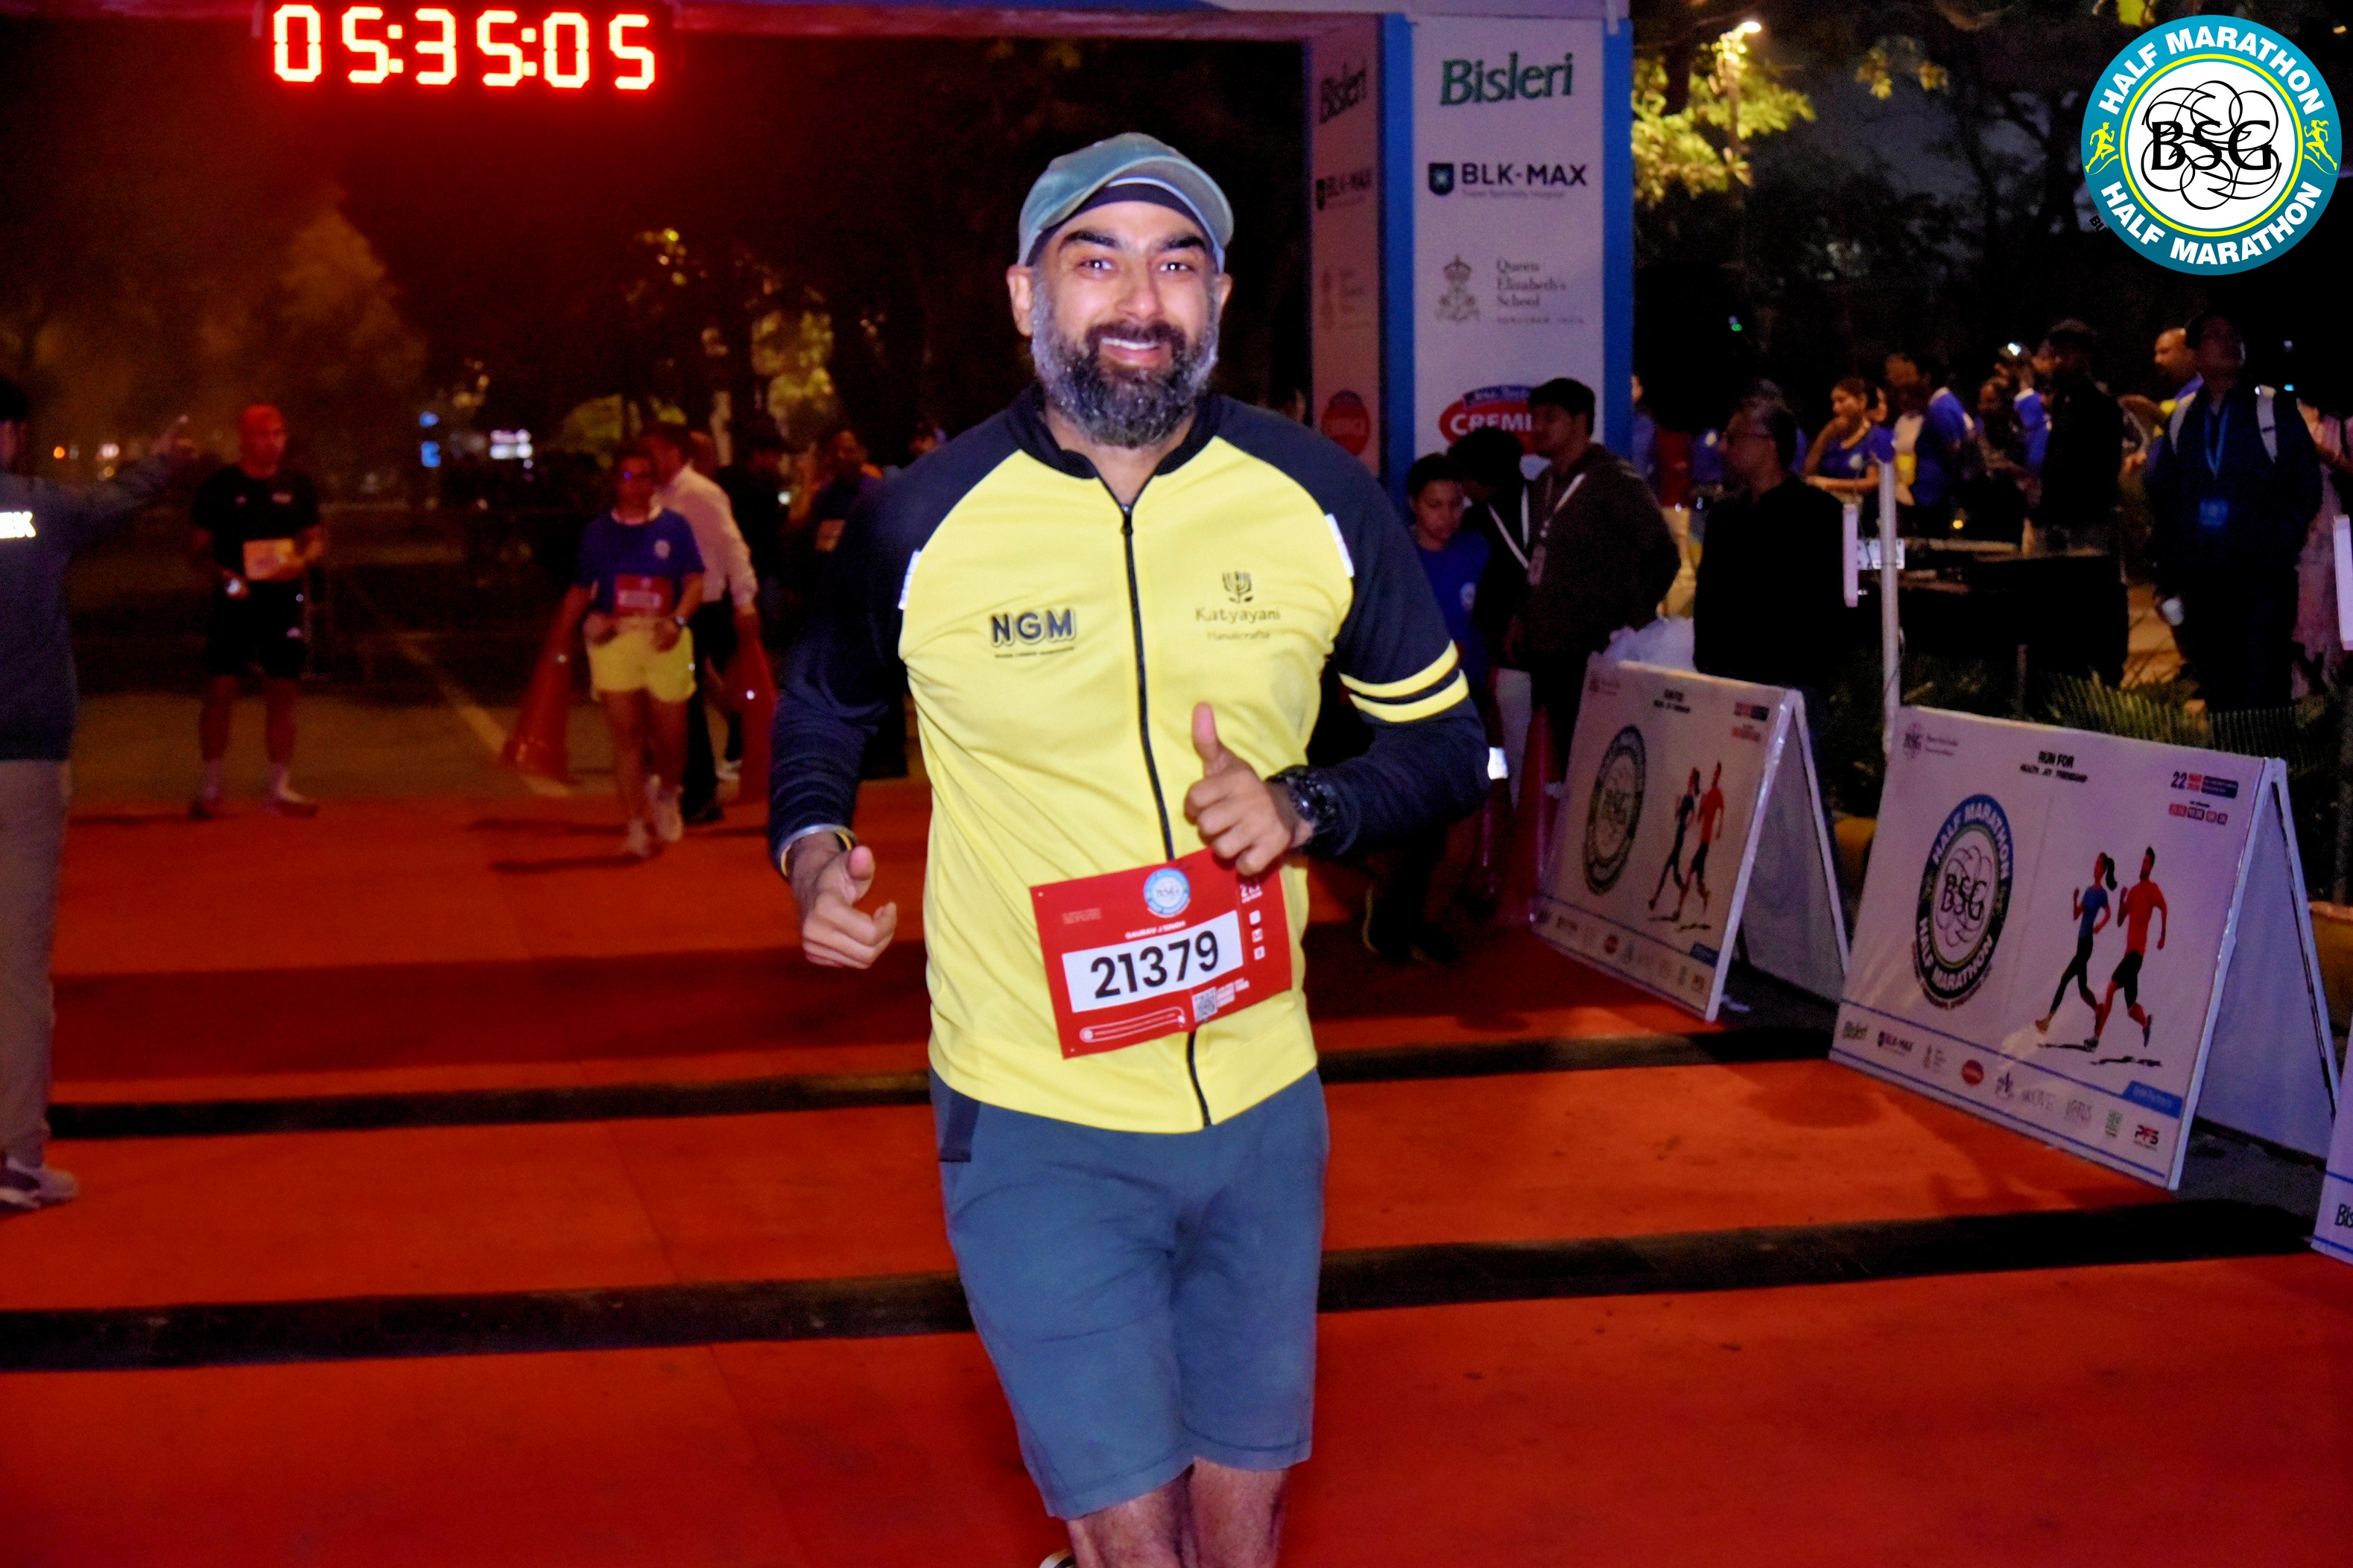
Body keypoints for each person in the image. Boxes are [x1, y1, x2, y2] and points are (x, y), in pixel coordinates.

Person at [772, 132, 1483, 1567]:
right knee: (1133, 1547)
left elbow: (1446, 745)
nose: (1138, 300)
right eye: (1094, 262)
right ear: (1023, 295)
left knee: (1242, 1538)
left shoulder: (1318, 496)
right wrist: (810, 846)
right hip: (1031, 1109)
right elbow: (824, 705)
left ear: (1217, 297)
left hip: (1262, 1102)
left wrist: (1305, 807)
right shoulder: (920, 519)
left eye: (1175, 264)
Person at [1, 381, 193, 1209]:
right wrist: (162, 462)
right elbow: (115, 502)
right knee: (16, 970)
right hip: (25, 760)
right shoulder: (38, 510)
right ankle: (15, 1158)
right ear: (13, 433)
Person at [2146, 311, 2325, 710]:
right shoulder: (2182, 420)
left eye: (2234, 335)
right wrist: (2169, 573)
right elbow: (2163, 498)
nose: (2230, 342)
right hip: (2203, 585)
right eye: (2216, 335)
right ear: (2194, 354)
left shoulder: (2273, 410)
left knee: (2264, 692)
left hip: (2262, 583)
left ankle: (2268, 753)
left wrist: (2276, 549)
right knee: (2220, 696)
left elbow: (2305, 488)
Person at [1363, 454, 1487, 964]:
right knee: (1407, 826)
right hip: (1407, 712)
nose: (1447, 516)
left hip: (1472, 707)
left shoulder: (1479, 551)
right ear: (1414, 504)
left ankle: (1428, 924)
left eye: (1456, 504)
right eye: (1435, 505)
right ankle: (1387, 903)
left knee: (1465, 825)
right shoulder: (1393, 559)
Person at [554, 444, 706, 859]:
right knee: (627, 738)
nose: (636, 485)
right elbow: (581, 588)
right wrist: (563, 641)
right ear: (615, 483)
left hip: (664, 639)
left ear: (655, 482)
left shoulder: (674, 527)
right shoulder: (598, 533)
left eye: (644, 476)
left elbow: (695, 582)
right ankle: (636, 827)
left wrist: (677, 621)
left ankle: (668, 792)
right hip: (616, 642)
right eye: (627, 477)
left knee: (672, 740)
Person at [1518, 375, 1679, 754]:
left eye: (1549, 418)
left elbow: (1664, 555)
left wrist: (1631, 620)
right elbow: (1538, 557)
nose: (1538, 427)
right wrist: (1521, 614)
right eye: (1534, 418)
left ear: (1580, 422)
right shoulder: (1543, 482)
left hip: (1592, 653)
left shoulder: (1616, 481)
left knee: (1591, 755)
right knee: (1552, 758)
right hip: (1545, 649)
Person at [189, 404, 324, 819]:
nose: (273, 442)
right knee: (221, 691)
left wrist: (301, 561)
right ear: (244, 439)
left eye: (279, 433)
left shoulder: (297, 485)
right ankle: (211, 787)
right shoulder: (220, 486)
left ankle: (279, 787)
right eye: (264, 434)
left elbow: (316, 539)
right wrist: (224, 577)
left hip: (281, 603)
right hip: (234, 603)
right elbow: (196, 550)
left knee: (283, 693)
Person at [1693, 393, 1849, 720]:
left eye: (1734, 438)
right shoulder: (1725, 514)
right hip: (1727, 681)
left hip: (1789, 684)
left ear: (1769, 445)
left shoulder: (1817, 515)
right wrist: (1707, 661)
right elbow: (1709, 596)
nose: (1723, 448)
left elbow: (1824, 604)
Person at [645, 422, 759, 822]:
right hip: (670, 605)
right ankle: (692, 786)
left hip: (701, 605)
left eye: (654, 451)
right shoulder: (659, 494)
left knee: (685, 698)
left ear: (673, 451)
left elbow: (731, 545)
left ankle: (701, 790)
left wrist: (744, 599)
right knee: (679, 697)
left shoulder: (700, 493)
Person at [1448, 425, 1534, 802]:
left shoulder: (1476, 522)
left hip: (1505, 658)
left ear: (1486, 477)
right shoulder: (1545, 499)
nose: (1463, 489)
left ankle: (1511, 812)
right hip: (1544, 652)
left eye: (1466, 479)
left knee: (1511, 745)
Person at [2031, 320, 2125, 554]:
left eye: (2068, 353)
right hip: (2057, 517)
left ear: (2085, 356)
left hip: (2087, 519)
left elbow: (2106, 467)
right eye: (2056, 354)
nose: (2059, 361)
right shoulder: (2061, 402)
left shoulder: (2101, 405)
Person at [1884, 352, 1972, 535]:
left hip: (1937, 499)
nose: (1907, 382)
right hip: (1930, 497)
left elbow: (1953, 453)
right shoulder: (1938, 407)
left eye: (1911, 375)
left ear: (1926, 378)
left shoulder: (1942, 409)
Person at [715, 422, 789, 633]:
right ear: (758, 454)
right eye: (776, 455)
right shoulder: (751, 486)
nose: (779, 461)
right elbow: (784, 523)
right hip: (756, 569)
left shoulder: (732, 479)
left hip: (746, 570)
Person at [2094, 847, 2167, 1053]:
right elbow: (2119, 921)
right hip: (2129, 955)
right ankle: (2145, 1022)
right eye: (2143, 861)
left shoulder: (2152, 889)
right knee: (2131, 1008)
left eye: (2147, 862)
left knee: (2111, 988)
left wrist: (2163, 934)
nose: (2143, 865)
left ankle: (2096, 1037)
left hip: (2136, 955)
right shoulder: (2134, 892)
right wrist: (2121, 900)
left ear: (2151, 866)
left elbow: (2164, 907)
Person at [2038, 852, 2116, 1038]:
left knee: (2065, 978)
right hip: (2081, 944)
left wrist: (2100, 926)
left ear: (2103, 870)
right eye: (2095, 863)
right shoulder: (2088, 891)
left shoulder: (2101, 894)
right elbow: (2076, 915)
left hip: (2087, 945)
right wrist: (2075, 899)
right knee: (2082, 990)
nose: (2095, 867)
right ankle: (2098, 1009)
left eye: (2099, 865)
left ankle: (2047, 1021)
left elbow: (2109, 913)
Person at [1802, 376, 1893, 515]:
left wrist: (1828, 484)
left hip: (1864, 515)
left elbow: (1874, 482)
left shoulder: (1877, 437)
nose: (1836, 408)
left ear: (1862, 401)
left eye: (1842, 400)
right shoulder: (1834, 439)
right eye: (1834, 402)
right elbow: (1809, 472)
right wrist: (1825, 436)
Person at [1670, 762, 1726, 924]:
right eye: (1714, 773)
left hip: (1705, 843)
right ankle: (1705, 895)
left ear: (1719, 776)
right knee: (1698, 880)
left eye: (1717, 773)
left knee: (1689, 873)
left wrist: (1719, 830)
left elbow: (1722, 811)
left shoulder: (1718, 794)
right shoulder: (1708, 795)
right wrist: (1701, 804)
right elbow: (1700, 817)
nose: (1714, 776)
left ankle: (1679, 910)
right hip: (1703, 841)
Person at [1650, 767, 1700, 913]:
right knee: (1674, 874)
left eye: (1691, 778)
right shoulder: (1686, 797)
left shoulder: (1690, 799)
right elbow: (1677, 815)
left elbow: (1692, 815)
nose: (1689, 780)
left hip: (1679, 838)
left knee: (1667, 869)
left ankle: (1656, 899)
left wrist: (1687, 825)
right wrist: (1677, 804)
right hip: (1678, 836)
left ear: (1694, 781)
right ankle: (1680, 895)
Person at [2153, 326, 2201, 416]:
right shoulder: (2181, 391)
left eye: (2164, 352)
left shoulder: (2207, 391)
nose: (2157, 360)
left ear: (2188, 353)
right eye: (2156, 353)